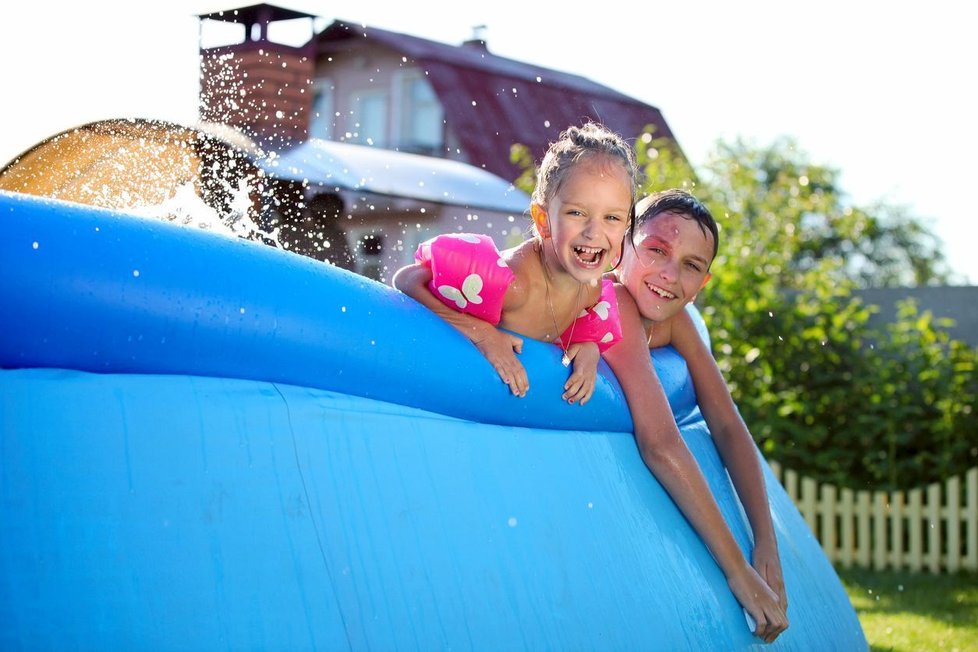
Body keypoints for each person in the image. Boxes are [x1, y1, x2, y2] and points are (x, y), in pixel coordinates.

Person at [604, 189, 788, 642]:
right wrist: (738, 571)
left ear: (702, 283)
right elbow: (660, 443)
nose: (670, 274)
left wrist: (765, 540)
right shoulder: (612, 301)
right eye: (657, 250)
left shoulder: (676, 320)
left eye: (690, 265)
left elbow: (726, 424)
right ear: (621, 246)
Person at [393, 122, 634, 405]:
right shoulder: (514, 284)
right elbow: (407, 279)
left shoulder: (590, 290)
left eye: (612, 218)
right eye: (577, 213)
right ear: (543, 220)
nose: (594, 232)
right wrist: (483, 334)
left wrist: (590, 349)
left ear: (626, 226)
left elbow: (571, 328)